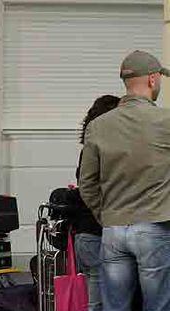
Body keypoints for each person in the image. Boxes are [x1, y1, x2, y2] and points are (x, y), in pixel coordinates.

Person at [79, 50, 170, 311]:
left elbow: (87, 183)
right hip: (155, 227)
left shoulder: (99, 125)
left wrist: (106, 215)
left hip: (113, 230)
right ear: (153, 79)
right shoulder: (165, 121)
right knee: (157, 306)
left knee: (115, 306)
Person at [75, 95, 120, 311]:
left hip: (86, 235)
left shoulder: (88, 151)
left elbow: (86, 186)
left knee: (97, 301)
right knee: (99, 303)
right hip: (98, 233)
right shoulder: (105, 152)